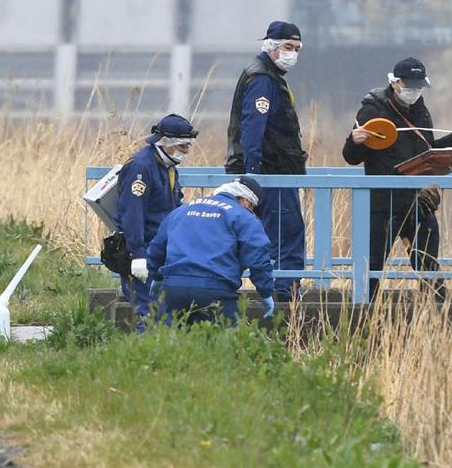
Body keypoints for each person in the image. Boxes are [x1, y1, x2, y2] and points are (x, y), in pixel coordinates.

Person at [342, 57, 452, 301]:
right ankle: (364, 311)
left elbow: (427, 151)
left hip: (417, 200)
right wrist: (353, 140)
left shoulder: (421, 112)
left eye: (419, 87)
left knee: (427, 260)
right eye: (410, 86)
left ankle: (437, 311)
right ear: (395, 82)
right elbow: (351, 157)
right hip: (383, 202)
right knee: (373, 265)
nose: (414, 91)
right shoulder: (372, 110)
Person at [225, 20, 307, 301]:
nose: (292, 53)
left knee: (279, 231)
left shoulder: (268, 76)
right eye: (288, 47)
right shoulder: (262, 79)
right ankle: (284, 289)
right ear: (271, 47)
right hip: (271, 172)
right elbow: (253, 129)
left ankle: (282, 286)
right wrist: (253, 175)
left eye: (297, 48)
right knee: (286, 230)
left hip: (277, 170)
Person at [147, 176, 275, 325]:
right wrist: (265, 292)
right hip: (216, 289)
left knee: (174, 344)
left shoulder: (181, 210)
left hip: (174, 288)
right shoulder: (243, 216)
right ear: (246, 201)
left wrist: (156, 277)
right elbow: (257, 257)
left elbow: (157, 248)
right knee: (222, 344)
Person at [113, 113, 198, 331]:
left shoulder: (167, 167)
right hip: (142, 253)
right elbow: (132, 214)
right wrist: (137, 254)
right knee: (150, 316)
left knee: (162, 316)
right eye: (183, 146)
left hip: (161, 251)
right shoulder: (141, 167)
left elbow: (173, 206)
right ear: (166, 142)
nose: (186, 152)